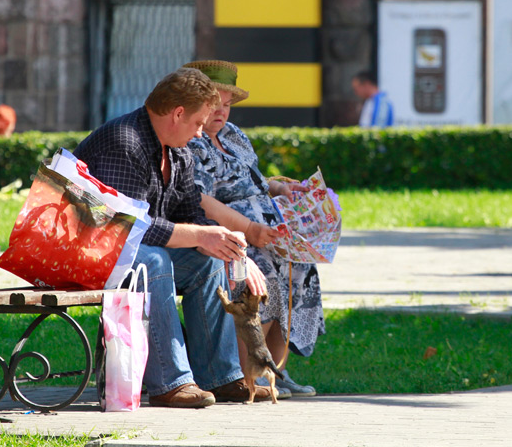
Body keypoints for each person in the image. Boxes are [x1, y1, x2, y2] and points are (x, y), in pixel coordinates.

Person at [72, 67, 274, 408]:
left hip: (128, 252)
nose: (200, 133)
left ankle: (221, 376)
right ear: (178, 113)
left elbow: (190, 213)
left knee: (207, 262)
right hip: (87, 253)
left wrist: (225, 248)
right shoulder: (125, 141)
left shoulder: (178, 151)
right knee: (154, 261)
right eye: (198, 123)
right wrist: (199, 234)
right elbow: (127, 227)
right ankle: (170, 382)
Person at [184, 60, 324, 398]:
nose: (221, 111)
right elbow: (199, 199)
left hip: (266, 230)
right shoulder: (192, 139)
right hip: (225, 233)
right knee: (264, 274)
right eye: (214, 103)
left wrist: (280, 188)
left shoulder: (234, 135)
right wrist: (250, 229)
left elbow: (254, 181)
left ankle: (276, 370)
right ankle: (247, 373)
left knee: (300, 266)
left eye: (227, 104)